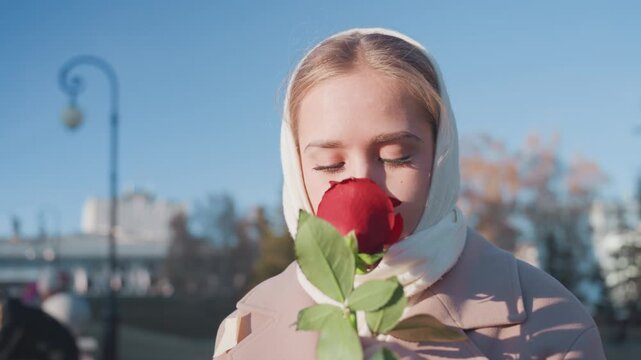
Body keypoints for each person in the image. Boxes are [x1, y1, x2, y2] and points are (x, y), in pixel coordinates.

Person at [212, 27, 606, 359]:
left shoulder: (552, 324)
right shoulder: (244, 330)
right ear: (295, 167)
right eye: (330, 164)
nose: (362, 183)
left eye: (396, 156)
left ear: (442, 153)